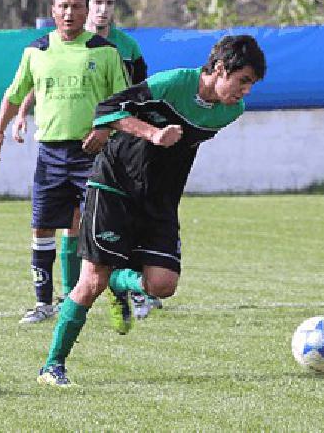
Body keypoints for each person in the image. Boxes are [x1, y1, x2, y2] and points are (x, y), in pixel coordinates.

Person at [37, 35, 267, 387]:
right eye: (243, 81)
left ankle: (119, 281)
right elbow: (109, 109)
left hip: (159, 200)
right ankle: (52, 367)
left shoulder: (230, 112)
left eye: (251, 84)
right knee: (90, 281)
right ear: (220, 69)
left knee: (163, 284)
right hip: (113, 185)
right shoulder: (172, 83)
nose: (246, 91)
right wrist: (151, 132)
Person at [9, 0, 160, 319]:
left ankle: (129, 287)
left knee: (113, 220)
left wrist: (126, 134)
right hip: (57, 147)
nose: (101, 10)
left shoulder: (122, 49)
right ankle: (64, 296)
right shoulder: (46, 47)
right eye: (97, 3)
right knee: (69, 223)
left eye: (109, 3)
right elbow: (44, 79)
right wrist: (20, 114)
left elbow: (131, 97)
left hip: (111, 142)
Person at [0, 0, 130, 324]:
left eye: (76, 7)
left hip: (92, 154)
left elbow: (124, 102)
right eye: (63, 6)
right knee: (41, 228)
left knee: (98, 229)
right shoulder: (36, 51)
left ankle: (114, 292)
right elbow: (14, 93)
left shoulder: (105, 51)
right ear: (52, 11)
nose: (69, 13)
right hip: (49, 154)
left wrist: (106, 129)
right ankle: (43, 304)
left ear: (86, 11)